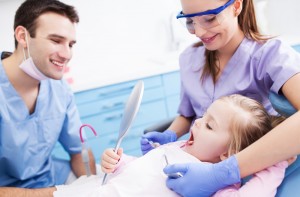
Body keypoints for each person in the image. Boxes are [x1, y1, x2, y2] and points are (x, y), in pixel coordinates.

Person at [140, 0, 300, 196]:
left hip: (245, 176)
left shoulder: (270, 55)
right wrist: (170, 135)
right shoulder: (189, 58)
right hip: (190, 167)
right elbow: (188, 114)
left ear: (236, 6)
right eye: (190, 21)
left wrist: (222, 173)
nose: (198, 33)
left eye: (209, 18)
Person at [54, 94, 295, 197]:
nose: (198, 123)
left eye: (210, 126)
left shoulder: (215, 185)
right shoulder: (182, 148)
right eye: (204, 116)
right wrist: (119, 162)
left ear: (226, 155)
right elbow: (143, 174)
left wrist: (275, 165)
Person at [0, 0, 96, 196]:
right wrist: (51, 193)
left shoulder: (59, 89)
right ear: (22, 36)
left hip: (52, 179)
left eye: (70, 44)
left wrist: (94, 187)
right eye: (56, 40)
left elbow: (78, 151)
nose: (67, 54)